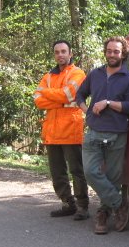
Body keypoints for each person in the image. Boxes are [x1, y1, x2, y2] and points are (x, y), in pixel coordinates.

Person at [75, 37, 129, 235]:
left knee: (112, 178)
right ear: (105, 52)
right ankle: (120, 204)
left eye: (116, 51)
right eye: (109, 51)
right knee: (90, 172)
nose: (112, 54)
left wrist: (108, 103)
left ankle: (102, 214)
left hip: (117, 134)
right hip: (93, 132)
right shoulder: (95, 74)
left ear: (123, 54)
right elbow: (79, 95)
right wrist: (87, 111)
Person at [33, 40, 89, 219]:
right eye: (57, 52)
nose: (60, 55)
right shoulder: (49, 75)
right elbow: (37, 99)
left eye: (64, 51)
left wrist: (49, 94)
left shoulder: (78, 73)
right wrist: (61, 99)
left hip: (70, 129)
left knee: (76, 170)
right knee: (57, 172)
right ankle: (67, 203)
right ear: (54, 55)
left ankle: (82, 207)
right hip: (51, 130)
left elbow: (69, 94)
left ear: (70, 53)